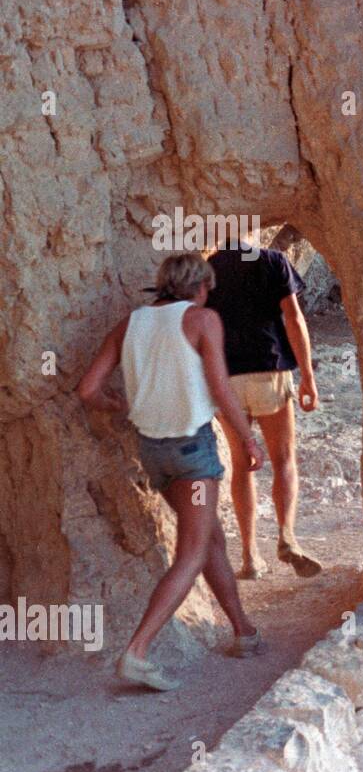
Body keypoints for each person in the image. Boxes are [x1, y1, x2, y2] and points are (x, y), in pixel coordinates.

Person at [77, 253, 265, 691]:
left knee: (208, 537)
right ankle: (137, 652)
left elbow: (88, 389)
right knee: (192, 552)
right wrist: (248, 440)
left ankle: (244, 632)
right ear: (199, 286)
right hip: (192, 455)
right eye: (208, 288)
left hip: (154, 453)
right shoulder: (203, 320)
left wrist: (115, 404)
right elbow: (220, 386)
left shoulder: (131, 324)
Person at [205, 232, 323, 579]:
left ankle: (249, 557)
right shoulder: (272, 262)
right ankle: (287, 536)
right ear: (252, 233)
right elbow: (294, 319)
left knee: (242, 465)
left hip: (227, 380)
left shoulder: (209, 268)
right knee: (284, 458)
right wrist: (307, 378)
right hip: (269, 372)